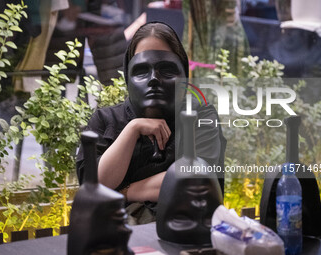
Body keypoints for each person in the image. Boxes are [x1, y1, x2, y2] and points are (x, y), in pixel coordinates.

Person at [76, 22, 226, 224]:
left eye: (166, 69)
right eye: (141, 71)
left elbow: (195, 183)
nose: (154, 79)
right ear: (128, 76)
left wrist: (127, 191)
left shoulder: (199, 117)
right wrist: (132, 129)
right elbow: (94, 187)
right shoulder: (105, 120)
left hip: (184, 233)